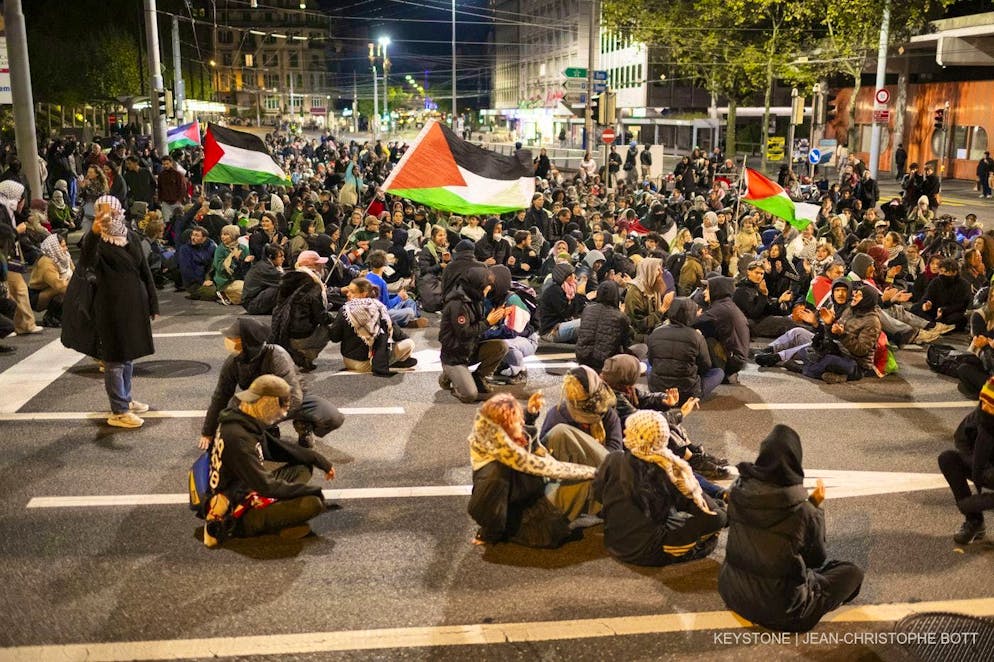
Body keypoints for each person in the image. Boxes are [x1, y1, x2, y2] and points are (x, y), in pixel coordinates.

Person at [719, 424, 863, 632]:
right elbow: (816, 559)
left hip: (732, 593)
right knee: (852, 573)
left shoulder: (738, 491)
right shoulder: (804, 511)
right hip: (783, 610)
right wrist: (815, 507)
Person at [201, 375, 337, 547]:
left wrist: (319, 460)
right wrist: (313, 491)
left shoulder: (240, 420)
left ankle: (282, 518)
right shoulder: (239, 438)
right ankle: (247, 527)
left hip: (247, 488)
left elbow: (277, 448)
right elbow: (267, 486)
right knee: (312, 504)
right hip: (238, 510)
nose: (284, 414)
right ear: (269, 403)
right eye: (283, 407)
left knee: (304, 466)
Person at [61, 195, 158, 428]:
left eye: (113, 213)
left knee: (128, 355)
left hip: (133, 304)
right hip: (108, 307)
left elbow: (144, 270)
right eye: (104, 213)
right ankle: (119, 410)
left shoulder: (129, 236)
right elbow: (86, 261)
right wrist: (94, 233)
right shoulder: (95, 241)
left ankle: (126, 398)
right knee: (115, 358)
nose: (110, 217)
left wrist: (152, 302)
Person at [594, 410, 726, 566]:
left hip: (613, 542)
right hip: (648, 552)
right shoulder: (669, 470)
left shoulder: (613, 458)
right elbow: (710, 516)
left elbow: (598, 493)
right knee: (718, 520)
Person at [467, 392, 597, 548]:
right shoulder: (494, 473)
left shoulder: (498, 439)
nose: (522, 422)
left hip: (532, 485)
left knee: (561, 431)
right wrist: (488, 534)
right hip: (531, 515)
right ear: (505, 428)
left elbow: (522, 440)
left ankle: (613, 473)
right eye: (517, 420)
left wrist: (530, 415)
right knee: (586, 483)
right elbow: (482, 509)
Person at [200, 318, 345, 450]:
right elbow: (220, 396)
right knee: (239, 433)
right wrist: (208, 432)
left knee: (333, 417)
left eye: (234, 339)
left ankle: (303, 425)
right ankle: (268, 432)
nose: (229, 341)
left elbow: (295, 398)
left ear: (247, 342)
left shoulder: (277, 356)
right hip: (258, 402)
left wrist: (267, 420)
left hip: (293, 399)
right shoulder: (233, 362)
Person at [438, 266, 509, 403]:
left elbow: (479, 327)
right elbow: (464, 332)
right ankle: (449, 375)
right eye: (487, 284)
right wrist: (488, 322)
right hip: (454, 356)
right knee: (470, 395)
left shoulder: (476, 298)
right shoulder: (458, 304)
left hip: (470, 349)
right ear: (478, 284)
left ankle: (478, 377)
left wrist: (497, 317)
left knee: (501, 347)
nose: (489, 288)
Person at [937, 380, 994, 545]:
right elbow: (961, 439)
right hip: (987, 465)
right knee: (948, 459)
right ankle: (974, 522)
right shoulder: (985, 411)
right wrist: (979, 467)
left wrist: (984, 501)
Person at [328, 277, 417, 373]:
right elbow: (399, 335)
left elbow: (334, 337)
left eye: (352, 292)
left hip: (348, 361)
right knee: (409, 343)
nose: (348, 294)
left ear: (364, 294)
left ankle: (388, 361)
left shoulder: (345, 310)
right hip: (369, 362)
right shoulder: (379, 308)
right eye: (348, 291)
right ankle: (390, 362)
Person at [647, 297, 724, 403]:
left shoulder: (656, 332)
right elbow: (706, 366)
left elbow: (651, 360)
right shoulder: (696, 337)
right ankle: (696, 396)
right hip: (686, 394)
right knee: (718, 372)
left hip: (659, 391)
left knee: (647, 364)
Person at [269, 250, 331, 372]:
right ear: (312, 266)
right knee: (330, 329)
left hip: (283, 333)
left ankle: (294, 352)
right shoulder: (313, 285)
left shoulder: (288, 281)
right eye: (320, 264)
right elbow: (321, 317)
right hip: (300, 334)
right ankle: (305, 355)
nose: (323, 267)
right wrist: (333, 317)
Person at [0, 180, 43, 335]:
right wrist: (17, 231)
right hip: (5, 256)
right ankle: (22, 324)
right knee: (18, 290)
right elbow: (4, 234)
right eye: (20, 198)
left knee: (15, 290)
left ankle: (20, 324)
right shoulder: (2, 210)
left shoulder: (7, 210)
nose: (21, 202)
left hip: (7, 256)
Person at [576, 280, 643, 372]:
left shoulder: (587, 310)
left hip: (582, 358)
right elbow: (627, 342)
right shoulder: (620, 316)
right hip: (605, 363)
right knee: (642, 348)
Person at [697, 276, 749, 380]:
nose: (704, 292)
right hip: (736, 358)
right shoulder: (726, 305)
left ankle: (716, 374)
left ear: (717, 290)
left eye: (708, 289)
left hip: (733, 361)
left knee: (700, 339)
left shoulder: (721, 309)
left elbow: (692, 323)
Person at [28, 232, 74, 327]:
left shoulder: (65, 256)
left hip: (51, 289)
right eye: (63, 246)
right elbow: (59, 286)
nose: (66, 248)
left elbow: (74, 272)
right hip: (36, 296)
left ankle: (62, 315)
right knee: (65, 289)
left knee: (71, 285)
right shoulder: (46, 262)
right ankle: (51, 316)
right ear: (55, 247)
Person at [537, 263, 585, 343]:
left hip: (563, 325)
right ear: (562, 277)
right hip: (551, 331)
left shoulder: (568, 289)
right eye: (570, 275)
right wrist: (579, 295)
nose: (573, 276)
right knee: (585, 323)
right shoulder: (554, 291)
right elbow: (567, 313)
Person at [242, 243, 284, 315]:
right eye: (280, 256)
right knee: (280, 287)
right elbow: (285, 279)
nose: (283, 259)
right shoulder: (266, 268)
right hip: (252, 304)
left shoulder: (265, 264)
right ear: (271, 257)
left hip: (255, 300)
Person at [156, 155, 188, 226]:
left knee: (178, 221)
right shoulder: (161, 175)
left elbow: (182, 188)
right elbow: (159, 188)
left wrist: (179, 199)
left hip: (176, 202)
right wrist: (160, 199)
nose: (165, 166)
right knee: (167, 222)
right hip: (165, 202)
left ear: (171, 163)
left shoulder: (178, 175)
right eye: (164, 164)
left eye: (167, 164)